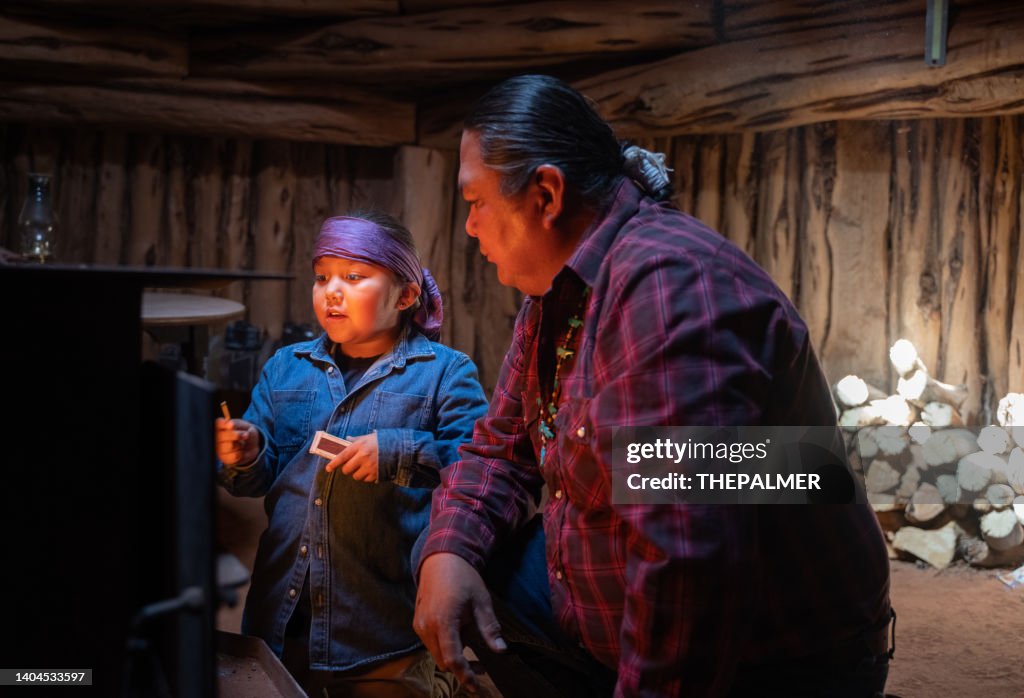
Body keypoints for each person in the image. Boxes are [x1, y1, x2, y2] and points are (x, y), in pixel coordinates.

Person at [412, 75, 893, 697]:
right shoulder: (559, 291)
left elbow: (690, 568)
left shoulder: (668, 288)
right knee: (443, 559)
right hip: (626, 570)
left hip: (774, 655)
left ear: (546, 194)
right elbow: (501, 447)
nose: (471, 227)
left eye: (476, 202)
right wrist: (447, 553)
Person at [216, 211, 488, 697]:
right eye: (322, 277)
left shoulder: (446, 373)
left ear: (405, 296)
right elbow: (257, 480)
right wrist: (247, 453)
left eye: (354, 277)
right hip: (281, 620)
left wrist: (400, 451)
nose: (331, 292)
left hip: (381, 631)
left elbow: (479, 466)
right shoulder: (287, 367)